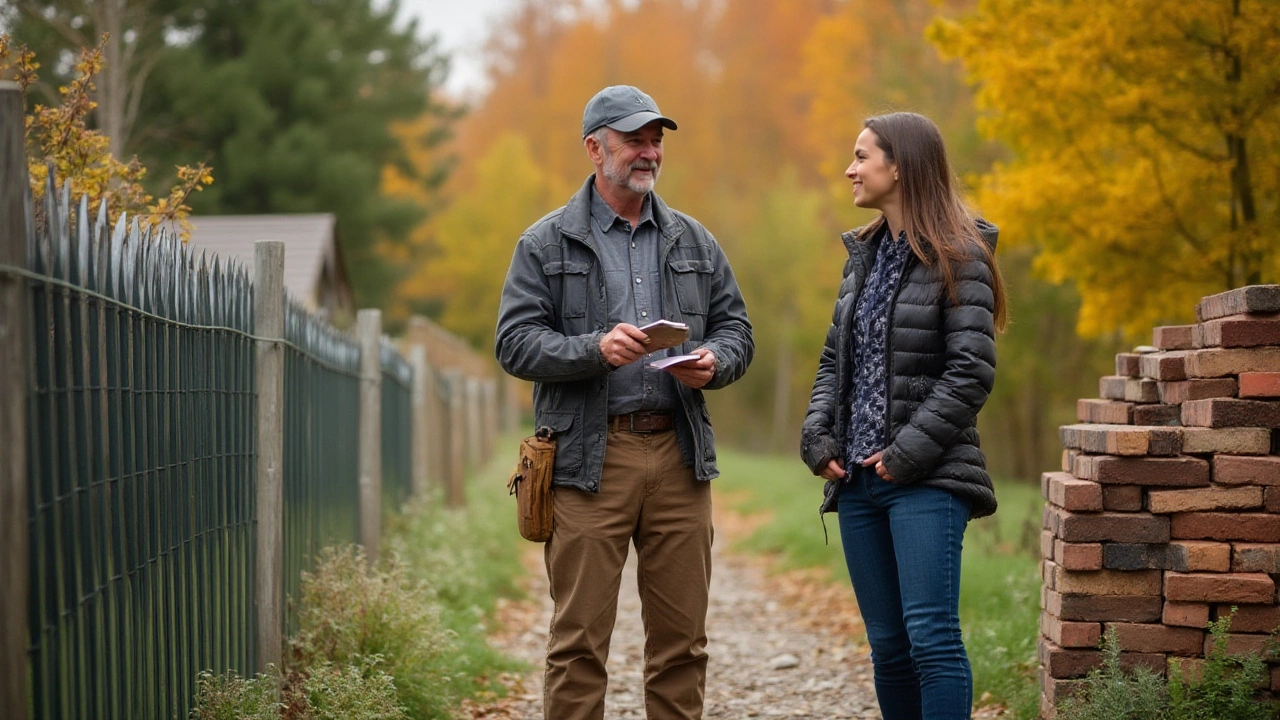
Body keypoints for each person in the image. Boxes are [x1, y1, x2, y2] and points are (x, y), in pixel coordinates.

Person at [495, 85, 754, 720]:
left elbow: (738, 331)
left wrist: (715, 361)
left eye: (656, 139)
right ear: (594, 148)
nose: (649, 151)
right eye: (634, 139)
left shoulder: (696, 240)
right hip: (587, 463)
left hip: (678, 454)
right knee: (579, 643)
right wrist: (593, 349)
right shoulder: (544, 243)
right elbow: (514, 343)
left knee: (682, 644)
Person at [799, 111, 1007, 720]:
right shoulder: (862, 255)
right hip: (858, 483)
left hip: (927, 478)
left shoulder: (960, 255)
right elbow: (835, 359)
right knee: (888, 649)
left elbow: (971, 371)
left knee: (931, 639)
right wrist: (817, 436)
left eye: (862, 156)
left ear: (902, 166)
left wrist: (908, 452)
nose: (850, 169)